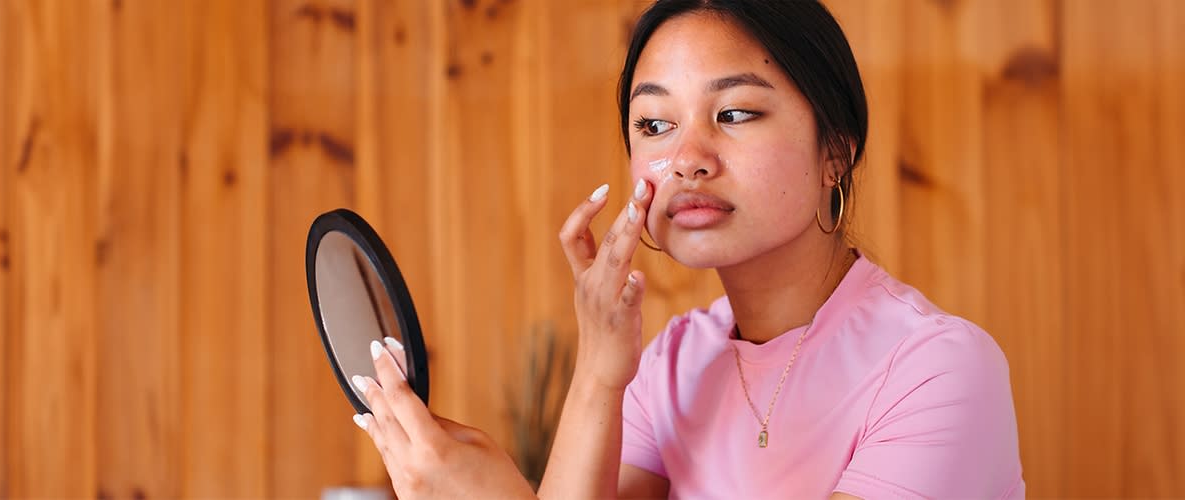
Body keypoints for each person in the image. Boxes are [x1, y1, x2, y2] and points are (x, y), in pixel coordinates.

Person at [349, 0, 1025, 497]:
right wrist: (600, 368)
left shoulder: (938, 370)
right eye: (654, 124)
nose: (686, 159)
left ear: (836, 155)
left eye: (734, 114)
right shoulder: (671, 365)